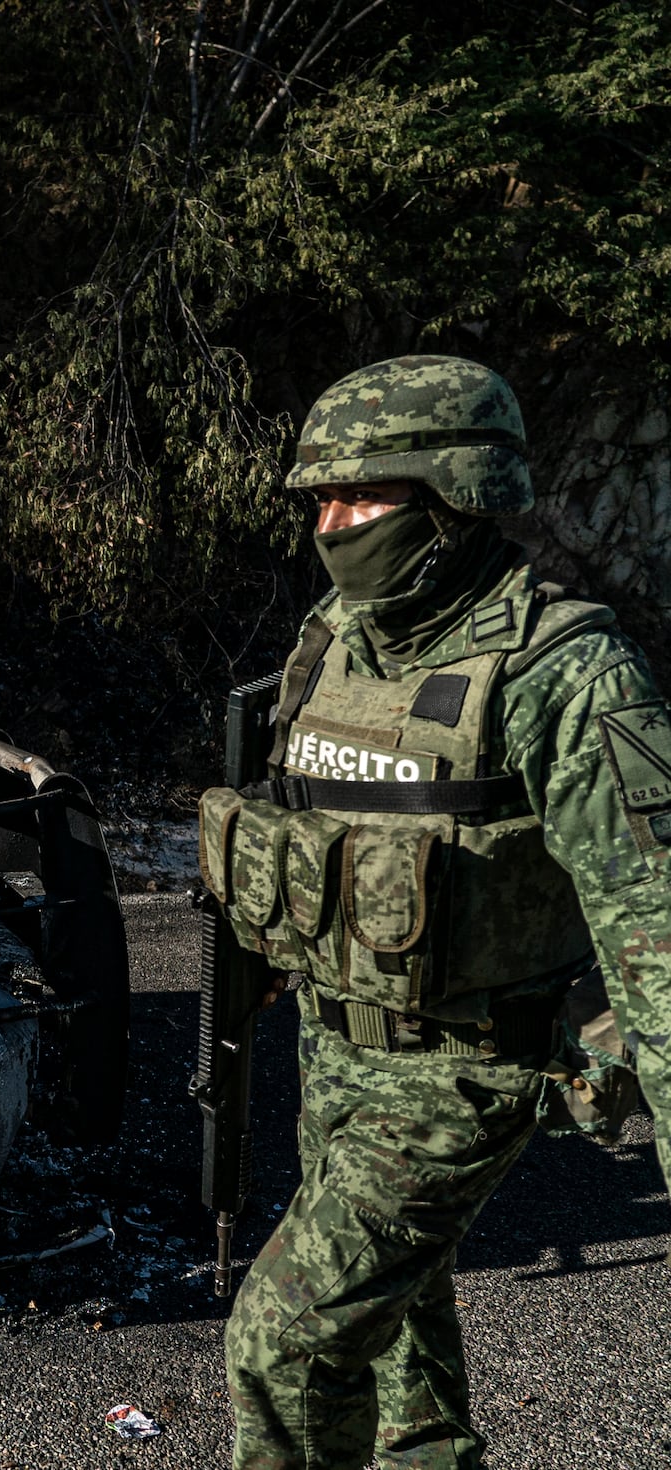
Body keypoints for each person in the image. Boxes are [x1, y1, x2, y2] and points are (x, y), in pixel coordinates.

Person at [208, 354, 671, 1469]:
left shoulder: (567, 671)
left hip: (461, 1073)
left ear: (453, 494)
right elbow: (311, 825)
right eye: (318, 501)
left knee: (280, 1344)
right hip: (333, 1057)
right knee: (396, 1353)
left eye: (356, 497)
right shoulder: (331, 639)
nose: (330, 523)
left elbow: (654, 931)